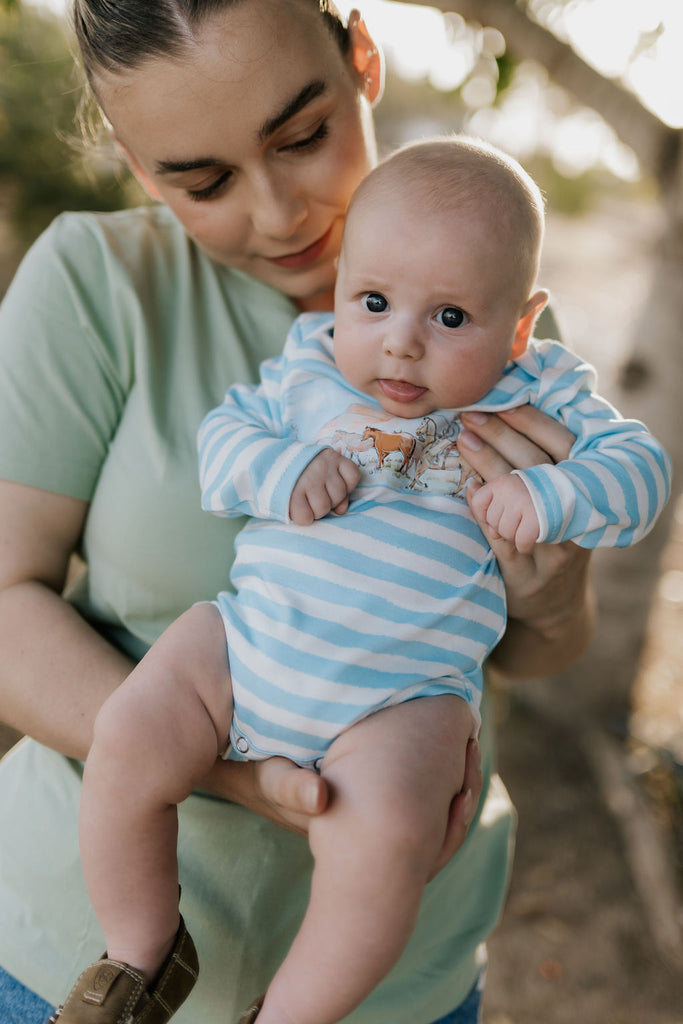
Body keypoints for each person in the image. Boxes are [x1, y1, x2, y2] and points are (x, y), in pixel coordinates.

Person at [0, 3, 601, 1023]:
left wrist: (554, 592)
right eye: (204, 181)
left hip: (400, 977)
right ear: (141, 168)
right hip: (62, 950)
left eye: (302, 136)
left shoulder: (485, 290)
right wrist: (225, 762)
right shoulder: (96, 284)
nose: (280, 212)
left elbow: (530, 652)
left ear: (360, 58)